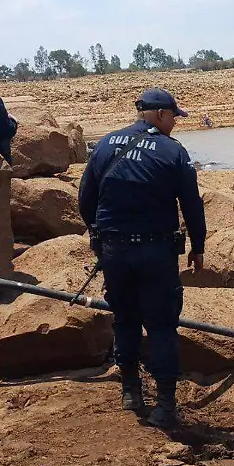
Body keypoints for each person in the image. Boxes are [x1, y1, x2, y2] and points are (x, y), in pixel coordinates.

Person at [78, 87, 207, 428]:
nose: (175, 125)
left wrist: (98, 238)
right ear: (162, 115)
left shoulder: (105, 144)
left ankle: (131, 391)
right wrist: (198, 246)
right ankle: (165, 404)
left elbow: (85, 199)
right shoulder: (172, 152)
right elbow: (191, 205)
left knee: (125, 318)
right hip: (156, 251)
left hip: (115, 250)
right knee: (163, 324)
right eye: (174, 118)